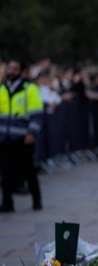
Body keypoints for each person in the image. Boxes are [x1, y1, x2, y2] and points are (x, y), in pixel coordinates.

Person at [0, 58, 44, 212]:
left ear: (22, 71)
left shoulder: (29, 89)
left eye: (15, 69)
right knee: (6, 172)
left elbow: (37, 114)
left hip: (24, 137)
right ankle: (7, 202)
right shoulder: (3, 88)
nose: (11, 71)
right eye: (9, 68)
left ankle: (36, 199)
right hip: (5, 137)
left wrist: (32, 132)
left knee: (28, 170)